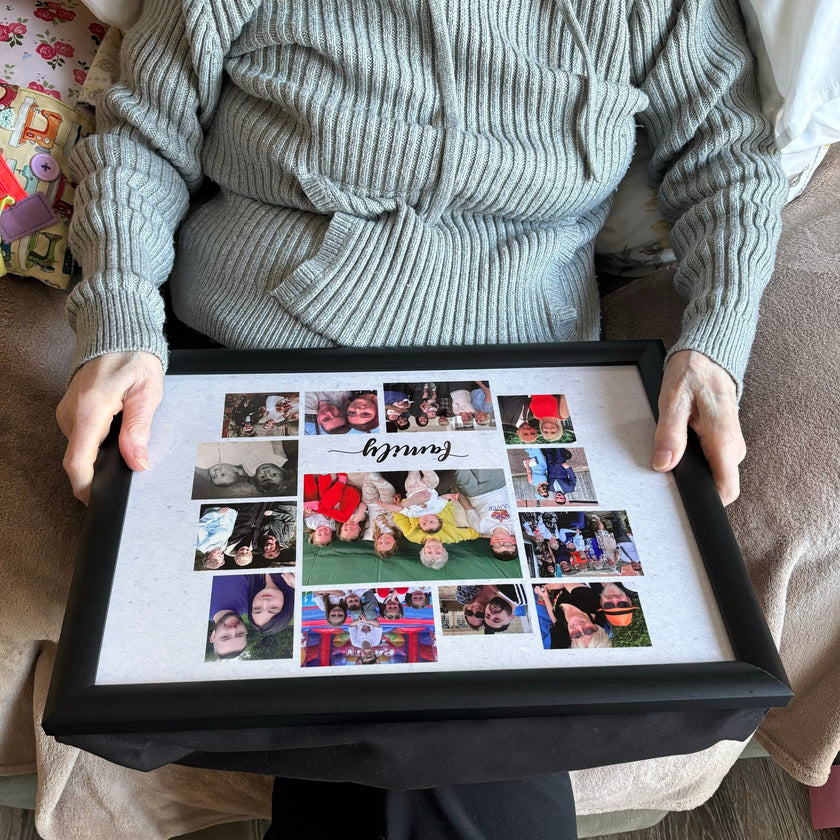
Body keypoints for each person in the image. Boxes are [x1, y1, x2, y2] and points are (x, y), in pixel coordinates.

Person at [56, 0, 786, 833]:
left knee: (447, 705)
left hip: (517, 370)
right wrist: (118, 318)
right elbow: (139, 138)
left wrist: (714, 342)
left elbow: (730, 157)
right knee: (423, 725)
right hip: (256, 351)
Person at [451, 469, 518, 560]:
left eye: (497, 546)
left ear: (491, 543)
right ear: (513, 541)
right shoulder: (516, 526)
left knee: (459, 468)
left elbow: (468, 507)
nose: (501, 542)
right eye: (507, 544)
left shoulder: (481, 528)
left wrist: (456, 489)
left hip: (474, 493)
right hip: (498, 486)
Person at [535, 583, 611, 649]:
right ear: (597, 627)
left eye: (576, 635)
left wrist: (545, 597)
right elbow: (565, 582)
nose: (578, 626)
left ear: (571, 638)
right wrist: (544, 587)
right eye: (588, 631)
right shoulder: (590, 602)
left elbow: (555, 620)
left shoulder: (565, 630)